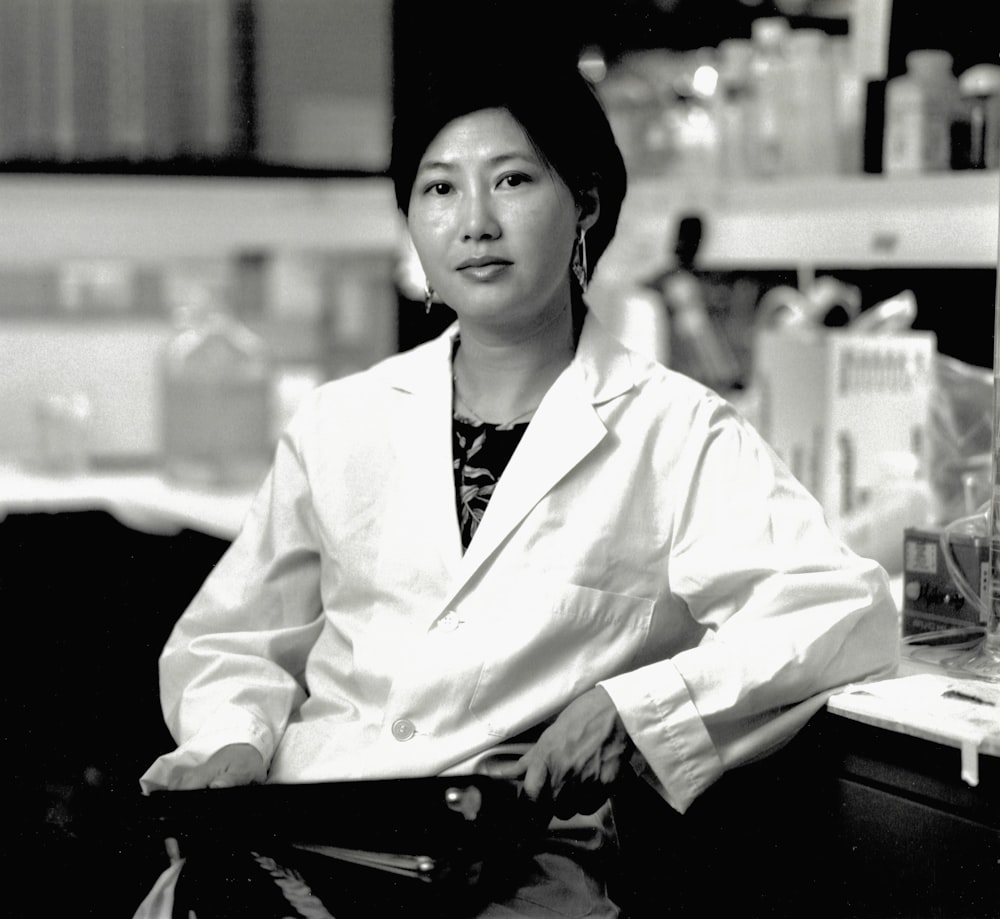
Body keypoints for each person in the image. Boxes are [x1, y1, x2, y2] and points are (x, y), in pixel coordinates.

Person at [134, 48, 898, 919]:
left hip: (507, 865)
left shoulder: (673, 429)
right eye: (439, 189)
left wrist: (630, 704)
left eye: (511, 181)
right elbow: (236, 639)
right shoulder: (338, 422)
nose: (475, 223)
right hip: (296, 828)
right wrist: (232, 738)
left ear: (585, 206)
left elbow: (838, 608)